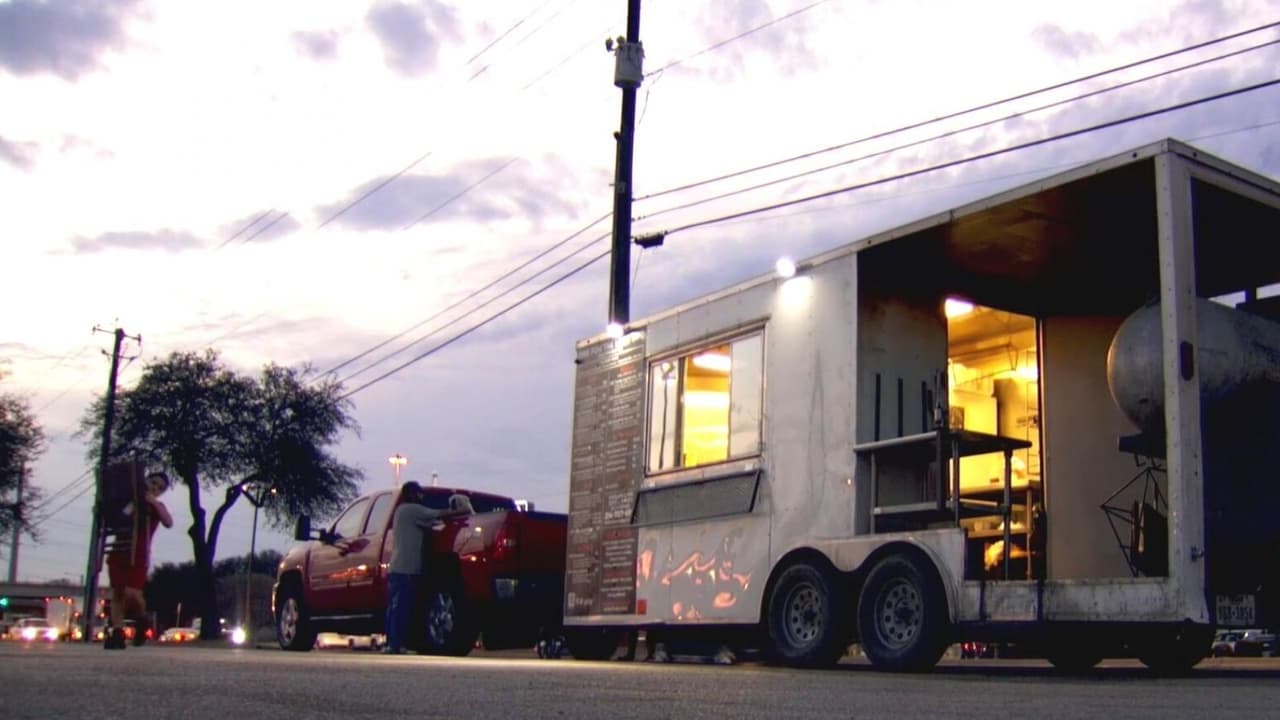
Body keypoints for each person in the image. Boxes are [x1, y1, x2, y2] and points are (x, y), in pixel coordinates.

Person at [381, 482, 472, 654]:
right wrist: (464, 509)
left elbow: (431, 524)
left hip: (400, 568)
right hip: (405, 569)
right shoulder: (411, 510)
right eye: (419, 493)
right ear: (412, 494)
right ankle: (394, 645)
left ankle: (394, 643)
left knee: (396, 607)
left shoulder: (403, 513)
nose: (422, 496)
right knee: (400, 607)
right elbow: (441, 514)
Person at [104, 471, 173, 650]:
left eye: (160, 488)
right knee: (118, 593)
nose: (155, 488)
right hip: (121, 549)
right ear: (145, 481)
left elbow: (168, 522)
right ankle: (118, 633)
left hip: (140, 553)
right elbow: (115, 518)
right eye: (153, 483)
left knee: (133, 593)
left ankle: (142, 620)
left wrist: (153, 502)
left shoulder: (157, 506)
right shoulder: (130, 500)